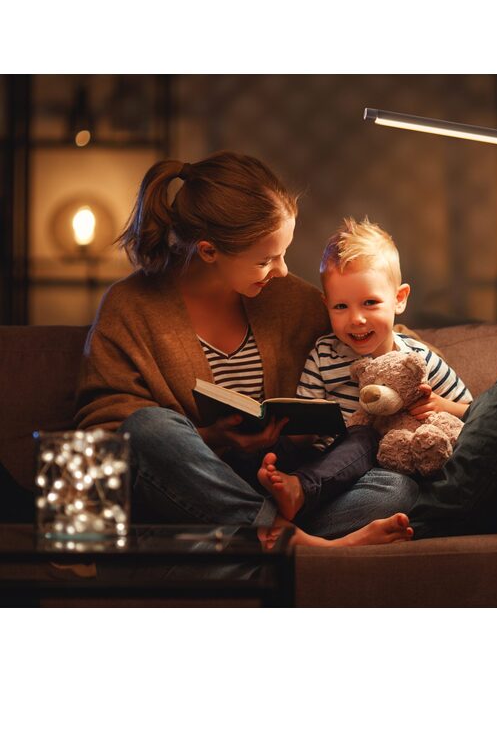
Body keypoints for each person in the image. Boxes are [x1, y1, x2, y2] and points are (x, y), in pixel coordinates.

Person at [74, 151, 417, 546]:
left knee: (396, 488)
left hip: (281, 487)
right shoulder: (131, 307)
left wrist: (425, 386)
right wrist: (212, 436)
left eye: (284, 253)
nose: (283, 270)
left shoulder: (291, 301)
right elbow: (106, 434)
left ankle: (253, 543)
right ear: (208, 251)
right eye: (266, 259)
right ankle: (297, 545)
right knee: (147, 428)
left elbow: (374, 336)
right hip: (194, 493)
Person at [260, 217, 472, 520]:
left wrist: (441, 405)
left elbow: (473, 410)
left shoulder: (418, 358)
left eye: (370, 303)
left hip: (372, 473)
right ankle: (286, 499)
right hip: (320, 461)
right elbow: (303, 424)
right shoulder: (324, 353)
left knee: (397, 487)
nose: (356, 319)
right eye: (341, 307)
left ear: (399, 299)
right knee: (269, 455)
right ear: (326, 305)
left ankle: (290, 511)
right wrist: (288, 433)